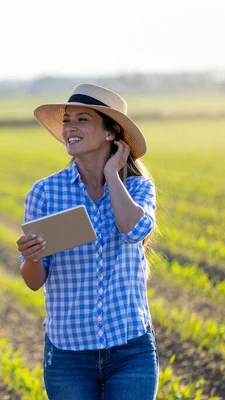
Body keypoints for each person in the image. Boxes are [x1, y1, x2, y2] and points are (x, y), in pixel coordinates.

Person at [16, 83, 159, 400]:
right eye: (67, 120)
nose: (70, 128)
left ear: (111, 133)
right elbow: (33, 281)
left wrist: (112, 174)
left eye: (82, 119)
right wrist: (33, 257)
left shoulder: (137, 188)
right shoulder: (45, 193)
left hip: (130, 348)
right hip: (69, 354)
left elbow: (133, 229)